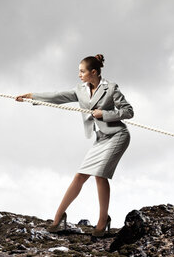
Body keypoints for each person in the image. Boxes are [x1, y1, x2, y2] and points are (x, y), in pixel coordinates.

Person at [16, 54, 133, 237]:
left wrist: (105, 113)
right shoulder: (80, 89)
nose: (79, 74)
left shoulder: (111, 88)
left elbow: (128, 111)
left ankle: (103, 221)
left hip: (117, 135)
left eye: (82, 71)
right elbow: (58, 96)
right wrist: (31, 96)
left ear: (93, 72)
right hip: (100, 139)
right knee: (79, 176)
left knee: (100, 176)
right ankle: (57, 218)